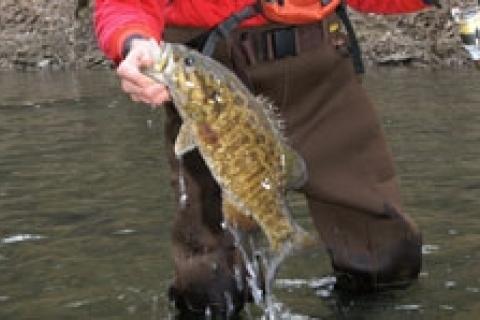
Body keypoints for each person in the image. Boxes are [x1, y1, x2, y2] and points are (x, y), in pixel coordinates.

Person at [95, 0, 438, 317]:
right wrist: (131, 40)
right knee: (209, 286)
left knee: (388, 259)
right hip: (208, 77)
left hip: (322, 72)